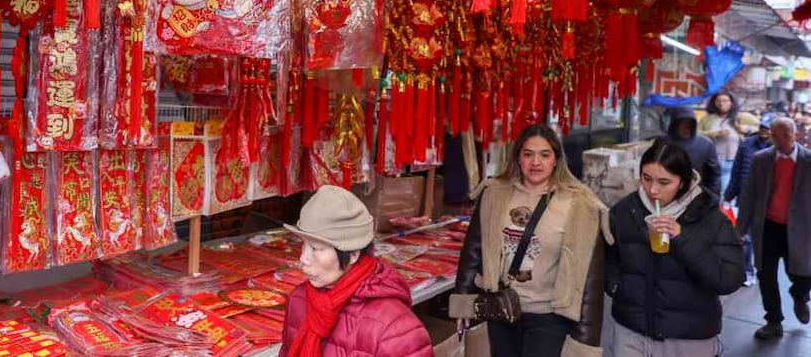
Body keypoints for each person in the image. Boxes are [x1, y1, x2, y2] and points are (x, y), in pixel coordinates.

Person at [454, 124, 609, 357]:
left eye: (544, 155)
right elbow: (473, 251)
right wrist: (463, 306)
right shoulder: (494, 194)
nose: (536, 162)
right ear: (518, 158)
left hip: (549, 319)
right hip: (500, 310)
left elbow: (589, 279)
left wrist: (585, 342)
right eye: (528, 154)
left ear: (556, 159)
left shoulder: (580, 204)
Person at [606, 139, 745, 356]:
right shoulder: (624, 212)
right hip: (630, 331)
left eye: (664, 182)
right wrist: (618, 287)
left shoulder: (710, 218)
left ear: (682, 182)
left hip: (689, 337)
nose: (653, 190)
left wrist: (682, 238)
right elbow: (609, 261)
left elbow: (729, 279)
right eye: (646, 178)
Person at [279, 185, 433, 357]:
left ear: (352, 254)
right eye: (303, 244)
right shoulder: (299, 299)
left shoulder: (395, 327)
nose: (303, 258)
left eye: (315, 248)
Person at [736, 117, 811, 340]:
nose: (781, 141)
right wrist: (739, 229)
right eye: (776, 136)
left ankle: (799, 295)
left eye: (786, 135)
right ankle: (773, 320)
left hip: (800, 228)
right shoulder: (762, 159)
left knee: (803, 274)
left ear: (795, 135)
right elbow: (748, 194)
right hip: (767, 226)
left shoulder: (808, 160)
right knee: (765, 274)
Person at [724, 113, 778, 286]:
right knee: (744, 237)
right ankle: (747, 270)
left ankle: (762, 269)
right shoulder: (747, 144)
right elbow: (736, 171)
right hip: (745, 198)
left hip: (769, 203)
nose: (764, 131)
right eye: (762, 127)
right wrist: (728, 196)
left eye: (768, 128)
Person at [667, 106, 721, 198]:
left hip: (697, 193)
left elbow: (714, 174)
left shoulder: (705, 144)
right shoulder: (664, 143)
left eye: (689, 124)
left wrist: (714, 196)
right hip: (669, 193)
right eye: (681, 123)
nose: (685, 127)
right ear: (675, 124)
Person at [699, 91, 741, 165]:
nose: (721, 104)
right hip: (712, 160)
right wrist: (715, 133)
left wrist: (747, 129)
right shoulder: (707, 119)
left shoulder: (741, 117)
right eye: (718, 101)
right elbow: (696, 133)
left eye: (725, 101)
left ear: (731, 103)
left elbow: (759, 128)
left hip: (734, 161)